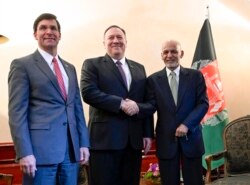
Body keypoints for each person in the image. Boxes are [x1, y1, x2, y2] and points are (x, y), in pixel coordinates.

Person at [8, 13, 89, 185]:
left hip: (71, 153)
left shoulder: (70, 68)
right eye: (43, 28)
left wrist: (83, 143)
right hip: (39, 154)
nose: (49, 31)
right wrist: (24, 152)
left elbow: (77, 109)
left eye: (53, 28)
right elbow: (17, 114)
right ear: (35, 34)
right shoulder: (22, 65)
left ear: (60, 35)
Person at [80, 25, 154, 185]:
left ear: (126, 42)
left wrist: (147, 133)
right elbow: (88, 92)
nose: (115, 40)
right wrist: (120, 104)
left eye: (119, 37)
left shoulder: (139, 68)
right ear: (104, 43)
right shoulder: (92, 64)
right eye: (111, 37)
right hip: (104, 142)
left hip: (133, 142)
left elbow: (145, 101)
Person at [138, 40, 209, 185]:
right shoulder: (153, 80)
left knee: (195, 181)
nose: (169, 55)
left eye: (174, 51)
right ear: (161, 55)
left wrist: (187, 125)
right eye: (166, 52)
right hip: (166, 140)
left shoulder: (195, 76)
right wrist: (147, 134)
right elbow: (150, 108)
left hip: (191, 137)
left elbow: (203, 104)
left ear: (181, 53)